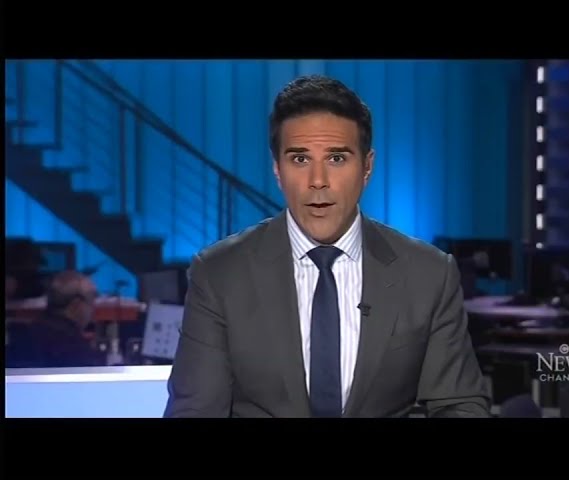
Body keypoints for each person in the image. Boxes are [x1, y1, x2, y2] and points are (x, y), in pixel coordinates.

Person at [164, 75, 491, 417]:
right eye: (300, 159)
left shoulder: (429, 274)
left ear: (367, 167)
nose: (318, 181)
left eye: (336, 158)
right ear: (277, 170)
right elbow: (195, 411)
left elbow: (460, 406)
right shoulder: (220, 274)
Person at [15, 270, 103, 368]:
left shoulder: (27, 333)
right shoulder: (72, 346)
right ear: (76, 305)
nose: (93, 308)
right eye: (91, 300)